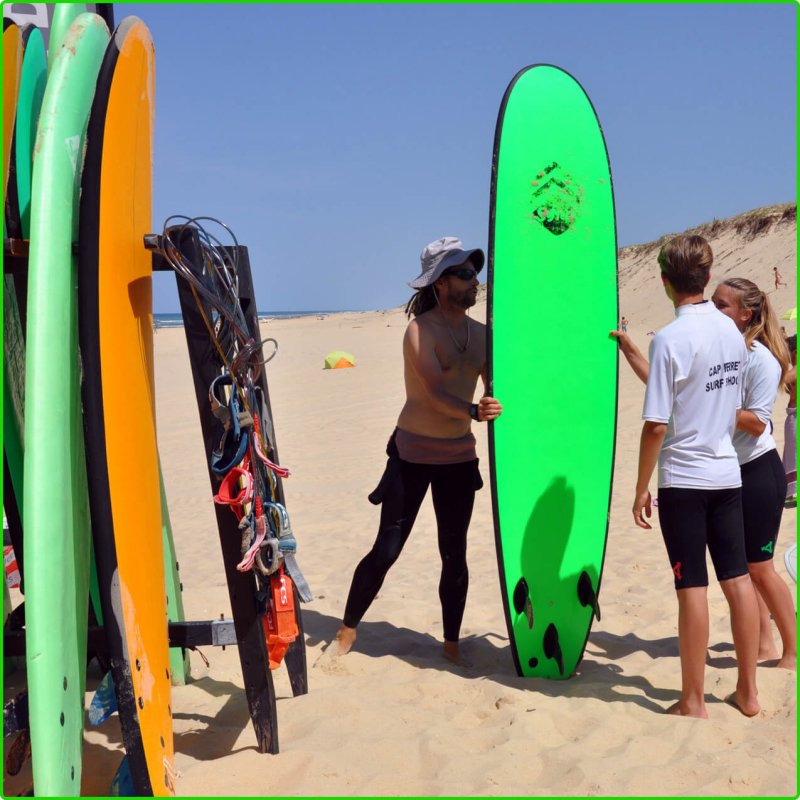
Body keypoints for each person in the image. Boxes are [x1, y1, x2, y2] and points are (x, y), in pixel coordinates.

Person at [333, 237, 503, 665]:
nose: (473, 281)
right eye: (464, 274)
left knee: (455, 553)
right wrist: (472, 409)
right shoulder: (419, 330)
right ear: (441, 283)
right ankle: (346, 630)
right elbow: (432, 392)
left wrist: (494, 402)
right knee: (387, 549)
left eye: (474, 272)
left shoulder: (484, 335)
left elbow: (497, 388)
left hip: (459, 459)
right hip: (411, 457)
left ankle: (451, 646)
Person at [630, 234, 761, 718]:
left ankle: (692, 700)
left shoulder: (668, 339)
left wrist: (641, 486)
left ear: (664, 281)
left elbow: (657, 425)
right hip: (728, 474)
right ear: (707, 277)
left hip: (684, 478)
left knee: (693, 589)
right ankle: (748, 691)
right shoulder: (732, 331)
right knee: (738, 580)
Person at [709, 279, 795, 670]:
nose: (714, 311)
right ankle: (763, 644)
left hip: (760, 473)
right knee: (743, 569)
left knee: (761, 568)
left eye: (722, 305)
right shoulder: (721, 351)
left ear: (746, 314)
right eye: (712, 302)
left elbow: (758, 424)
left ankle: (793, 651)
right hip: (731, 472)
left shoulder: (760, 358)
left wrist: (706, 408)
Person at [783, 334, 797, 508]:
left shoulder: (794, 371)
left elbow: (782, 381)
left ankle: (793, 492)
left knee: (792, 453)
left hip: (795, 416)